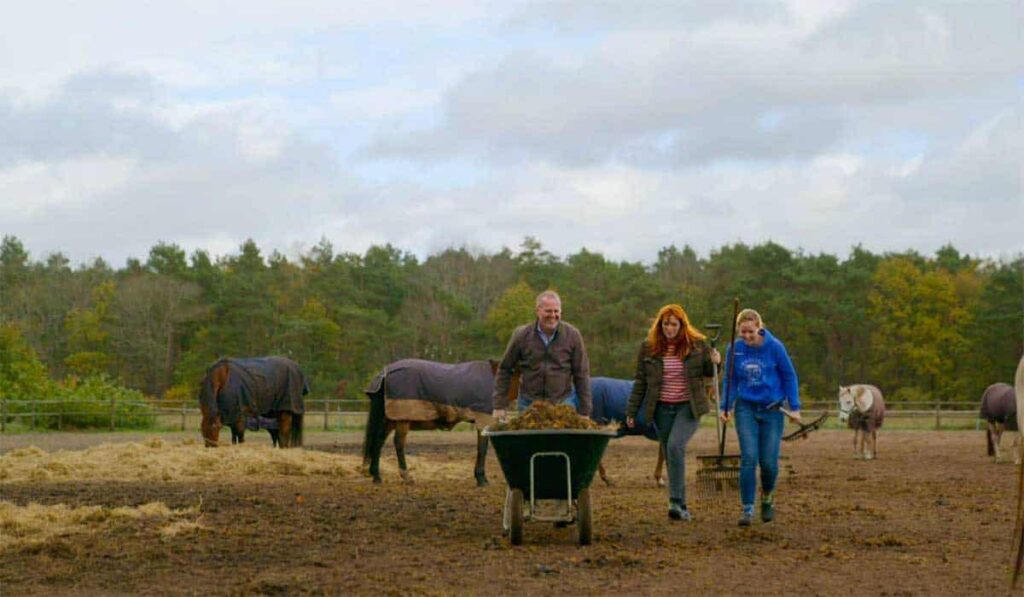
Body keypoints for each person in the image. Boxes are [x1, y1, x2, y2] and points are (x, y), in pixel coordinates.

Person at [625, 304, 720, 521]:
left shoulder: (696, 345)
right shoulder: (648, 348)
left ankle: (675, 501)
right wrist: (631, 410)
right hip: (661, 408)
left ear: (681, 325)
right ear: (660, 325)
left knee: (675, 446)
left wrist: (717, 361)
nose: (669, 328)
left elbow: (709, 371)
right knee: (669, 453)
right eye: (665, 324)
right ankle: (681, 505)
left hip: (689, 406)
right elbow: (641, 381)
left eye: (673, 324)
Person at [719, 308, 801, 527]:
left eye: (750, 332)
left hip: (772, 410)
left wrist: (795, 406)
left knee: (768, 463)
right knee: (749, 458)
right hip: (745, 408)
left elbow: (789, 376)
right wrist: (725, 406)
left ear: (759, 328)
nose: (746, 336)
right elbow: (730, 379)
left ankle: (767, 498)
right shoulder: (734, 350)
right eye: (742, 332)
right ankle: (747, 508)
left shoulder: (775, 347)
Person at [492, 290, 592, 420]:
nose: (553, 315)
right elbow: (505, 369)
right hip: (529, 403)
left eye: (556, 311)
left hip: (563, 402)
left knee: (562, 440)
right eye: (548, 311)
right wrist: (499, 406)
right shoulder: (521, 335)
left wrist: (585, 411)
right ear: (538, 311)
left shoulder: (573, 335)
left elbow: (582, 374)